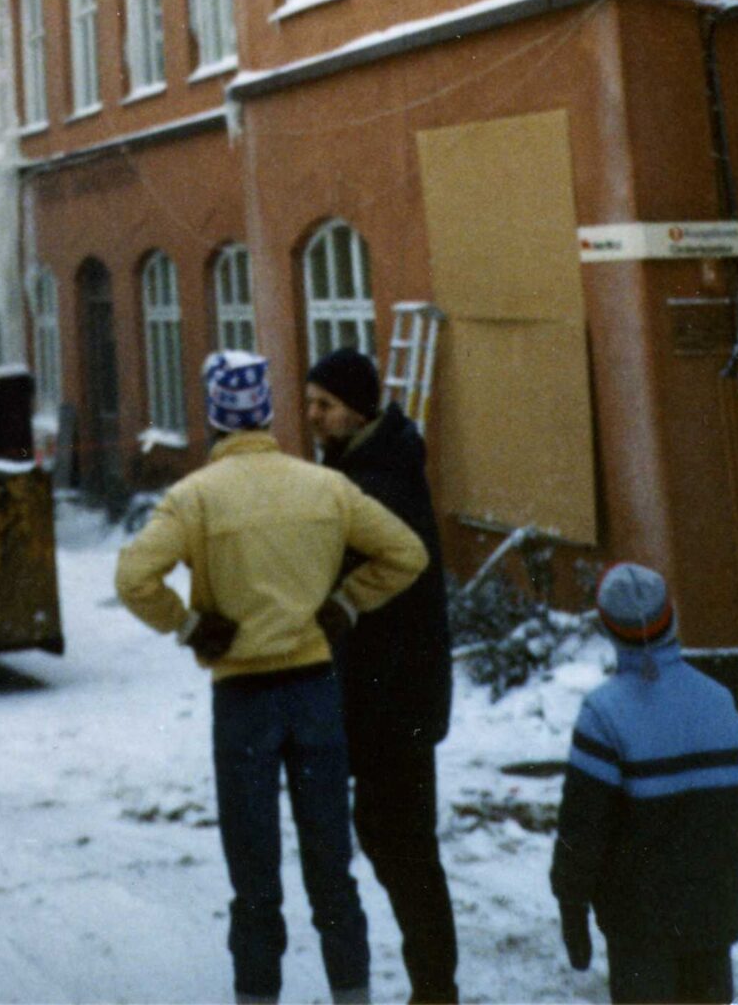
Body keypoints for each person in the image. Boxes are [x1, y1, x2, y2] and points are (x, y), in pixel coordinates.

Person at [116, 350, 429, 1005]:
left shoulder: (194, 497)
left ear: (213, 418)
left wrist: (186, 625)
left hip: (242, 701)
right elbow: (407, 552)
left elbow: (133, 578)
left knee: (254, 885)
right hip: (316, 690)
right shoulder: (322, 487)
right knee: (333, 877)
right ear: (267, 412)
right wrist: (345, 604)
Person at [305, 347, 458, 1005]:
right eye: (311, 402)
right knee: (397, 843)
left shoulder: (376, 482)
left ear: (358, 410)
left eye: (325, 405)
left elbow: (376, 590)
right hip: (387, 694)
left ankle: (434, 989)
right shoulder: (363, 465)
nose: (313, 417)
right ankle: (433, 984)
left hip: (393, 698)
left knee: (404, 850)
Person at [551, 562, 738, 1005]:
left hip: (639, 927)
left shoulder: (604, 715)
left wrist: (572, 905)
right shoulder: (719, 702)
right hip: (711, 913)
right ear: (672, 617)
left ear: (608, 630)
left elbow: (582, 828)